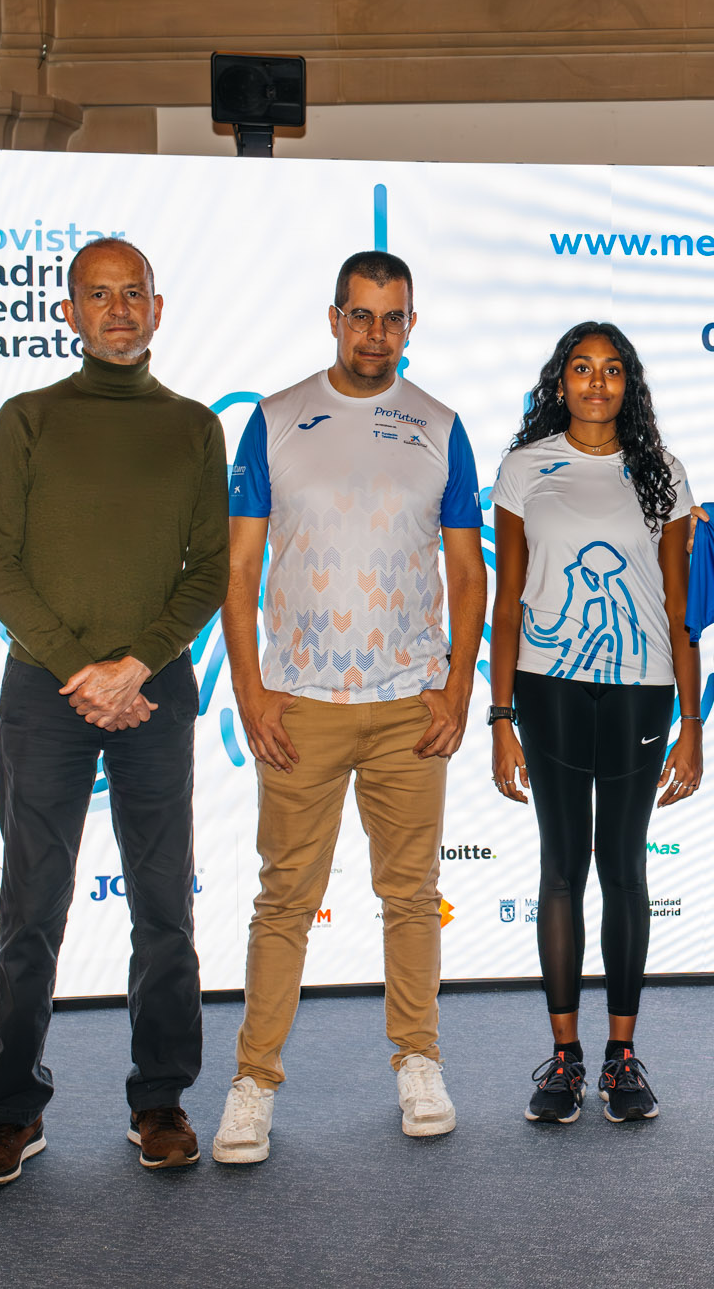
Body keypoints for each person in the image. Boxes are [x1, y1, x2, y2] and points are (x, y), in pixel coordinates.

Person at [0, 238, 229, 1186]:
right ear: (71, 313)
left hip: (157, 689)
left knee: (163, 908)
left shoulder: (196, 428)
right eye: (98, 295)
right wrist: (85, 671)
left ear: (159, 309)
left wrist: (136, 666)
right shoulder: (26, 418)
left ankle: (161, 1099)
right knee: (31, 909)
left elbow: (210, 574)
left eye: (133, 294)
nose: (117, 310)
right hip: (45, 691)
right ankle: (9, 1113)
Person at [212, 250, 487, 1163]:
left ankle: (419, 1060)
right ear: (334, 317)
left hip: (410, 703)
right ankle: (253, 1081)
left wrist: (457, 684)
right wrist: (253, 692)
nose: (376, 333)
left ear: (413, 323)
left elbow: (465, 567)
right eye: (361, 315)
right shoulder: (276, 419)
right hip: (302, 706)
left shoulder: (441, 426)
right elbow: (241, 568)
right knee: (284, 898)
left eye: (393, 316)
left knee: (411, 896)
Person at [487, 322, 701, 1124]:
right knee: (560, 868)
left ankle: (621, 1054)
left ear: (629, 385)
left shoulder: (663, 475)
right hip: (547, 688)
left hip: (643, 691)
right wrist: (500, 715)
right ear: (559, 381)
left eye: (613, 370)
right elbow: (506, 602)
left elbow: (683, 610)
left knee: (624, 868)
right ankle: (564, 1056)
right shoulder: (523, 469)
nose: (597, 383)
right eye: (582, 368)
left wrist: (694, 724)